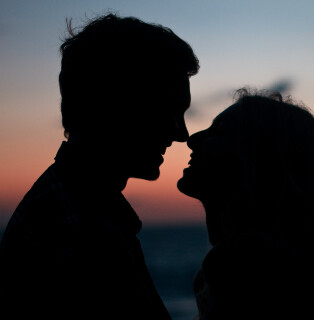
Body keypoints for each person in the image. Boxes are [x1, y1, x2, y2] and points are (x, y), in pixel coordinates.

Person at [0, 13, 199, 319]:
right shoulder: (82, 230)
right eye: (169, 110)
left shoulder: (74, 208)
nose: (181, 134)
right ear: (119, 104)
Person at [178, 89, 314, 320]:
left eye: (220, 132)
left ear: (261, 162)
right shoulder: (301, 269)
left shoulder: (244, 267)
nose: (193, 139)